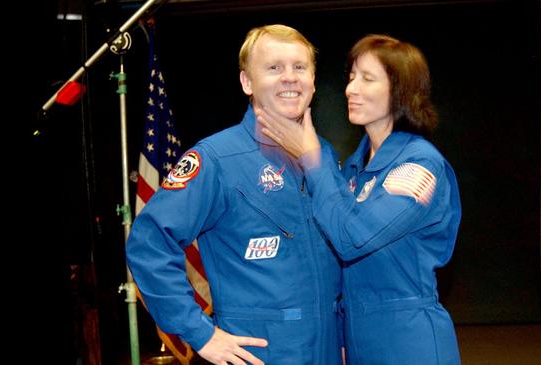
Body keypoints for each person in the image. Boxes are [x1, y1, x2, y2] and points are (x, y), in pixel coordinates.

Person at [126, 24, 343, 365]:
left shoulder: (324, 156)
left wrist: (342, 336)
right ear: (247, 82)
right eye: (274, 68)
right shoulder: (216, 159)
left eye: (300, 67)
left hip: (327, 351)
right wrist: (200, 333)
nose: (289, 78)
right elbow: (148, 243)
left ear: (313, 80)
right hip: (259, 354)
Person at [257, 34, 462, 364]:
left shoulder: (420, 165)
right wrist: (340, 336)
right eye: (351, 77)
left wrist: (312, 159)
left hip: (408, 341)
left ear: (400, 91)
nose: (351, 89)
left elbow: (351, 238)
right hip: (358, 338)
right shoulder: (354, 167)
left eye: (368, 78)